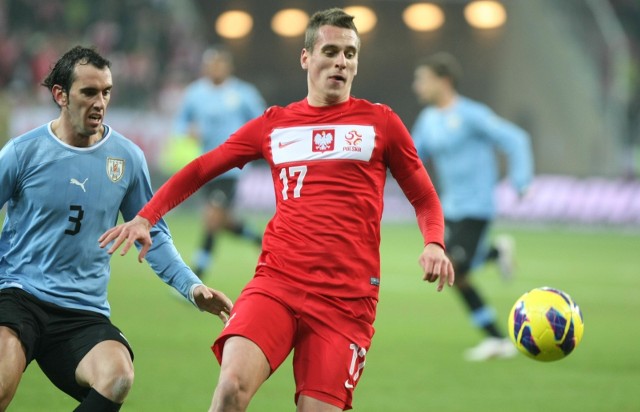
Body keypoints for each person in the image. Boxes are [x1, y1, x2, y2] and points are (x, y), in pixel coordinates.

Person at [100, 8, 455, 412]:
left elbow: (424, 196)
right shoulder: (275, 125)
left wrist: (434, 243)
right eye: (331, 50)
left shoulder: (381, 123)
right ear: (306, 57)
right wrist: (147, 215)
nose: (342, 61)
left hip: (346, 301)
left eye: (351, 53)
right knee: (231, 386)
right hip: (277, 283)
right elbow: (202, 167)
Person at [0, 46, 232, 412]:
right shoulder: (23, 153)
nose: (100, 102)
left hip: (82, 309)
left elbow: (151, 233)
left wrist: (192, 286)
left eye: (106, 92)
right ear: (60, 95)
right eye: (88, 92)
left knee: (118, 376)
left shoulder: (126, 158)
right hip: (18, 295)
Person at [411, 52, 534, 361]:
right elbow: (411, 157)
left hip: (477, 206)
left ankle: (497, 339)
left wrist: (521, 181)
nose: (417, 86)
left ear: (444, 80)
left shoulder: (472, 114)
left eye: (423, 79)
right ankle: (495, 254)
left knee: (453, 267)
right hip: (448, 208)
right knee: (454, 270)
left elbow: (516, 139)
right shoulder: (427, 120)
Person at [173, 46, 266, 279]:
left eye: (220, 64)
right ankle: (258, 239)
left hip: (232, 167)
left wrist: (250, 145)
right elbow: (181, 122)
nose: (216, 68)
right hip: (206, 165)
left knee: (212, 217)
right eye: (212, 64)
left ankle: (197, 274)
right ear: (205, 68)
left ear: (228, 67)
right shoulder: (194, 94)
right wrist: (188, 130)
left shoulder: (243, 93)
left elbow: (263, 120)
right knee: (221, 220)